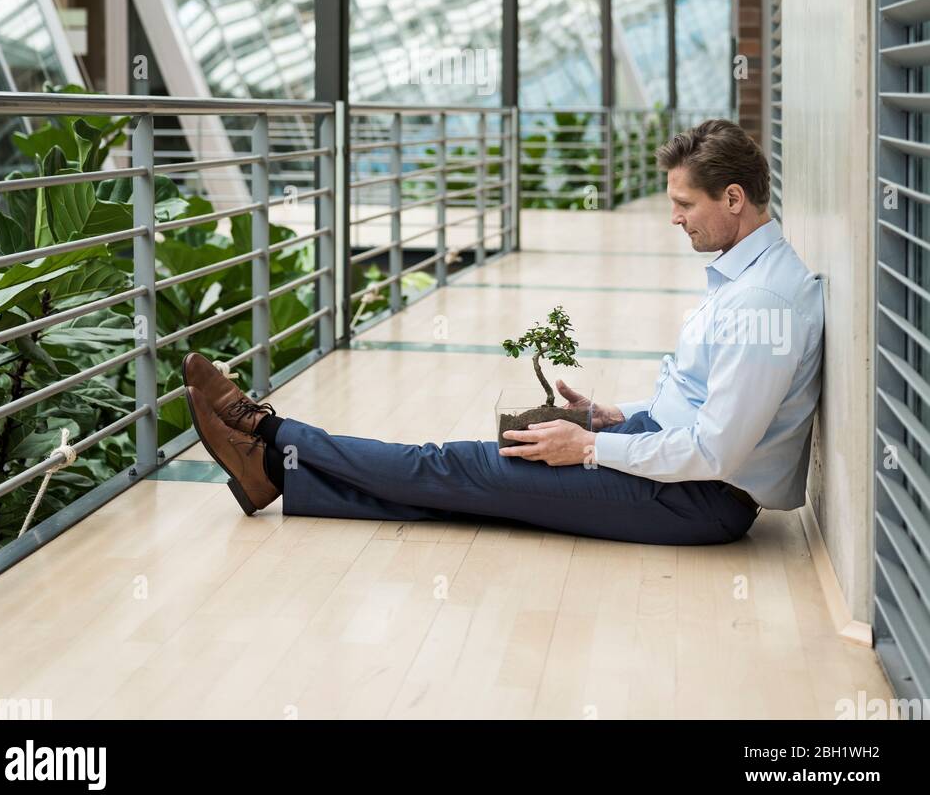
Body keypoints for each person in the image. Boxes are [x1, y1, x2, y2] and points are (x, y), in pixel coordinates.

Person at [183, 119, 824, 546]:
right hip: (662, 452)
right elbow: (702, 401)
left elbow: (717, 453)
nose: (675, 220)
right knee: (472, 477)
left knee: (459, 467)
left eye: (685, 205)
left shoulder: (761, 301)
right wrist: (608, 416)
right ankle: (274, 468)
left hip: (696, 499)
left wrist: (589, 449)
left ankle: (270, 433)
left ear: (734, 198)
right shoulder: (749, 277)